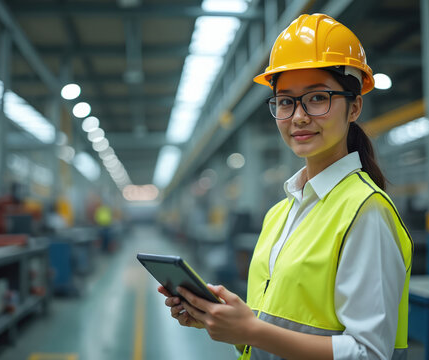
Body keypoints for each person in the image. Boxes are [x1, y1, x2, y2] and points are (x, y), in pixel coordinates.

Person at [158, 13, 413, 360]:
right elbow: (279, 329)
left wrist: (251, 330)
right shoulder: (281, 213)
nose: (299, 116)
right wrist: (227, 324)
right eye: (285, 101)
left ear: (354, 107)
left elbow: (369, 353)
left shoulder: (365, 212)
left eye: (318, 98)